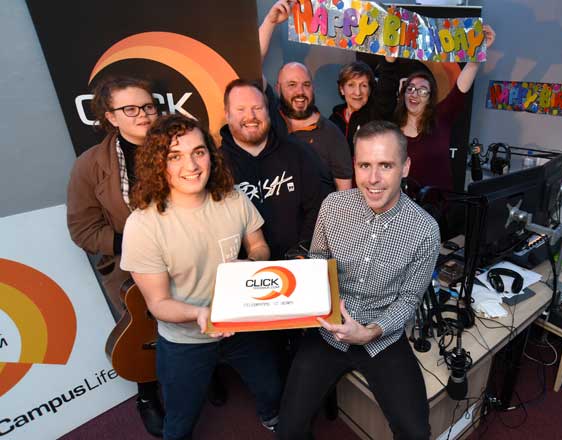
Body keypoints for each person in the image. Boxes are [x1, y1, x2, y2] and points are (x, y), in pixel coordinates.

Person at [120, 114, 282, 439]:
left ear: (210, 153)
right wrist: (199, 314)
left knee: (273, 391)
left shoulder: (233, 198)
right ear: (158, 164)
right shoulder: (143, 225)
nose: (191, 165)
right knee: (180, 421)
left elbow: (260, 244)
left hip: (243, 327)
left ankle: (273, 419)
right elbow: (158, 302)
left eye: (199, 151)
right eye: (174, 156)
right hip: (186, 342)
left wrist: (252, 262)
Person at [278, 121, 440, 439]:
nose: (373, 179)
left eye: (386, 166)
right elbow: (318, 261)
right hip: (328, 331)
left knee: (416, 432)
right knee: (288, 429)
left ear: (405, 167)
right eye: (364, 165)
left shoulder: (425, 230)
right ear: (354, 165)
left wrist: (369, 332)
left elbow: (409, 300)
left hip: (382, 336)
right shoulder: (333, 207)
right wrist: (305, 286)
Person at [66, 76, 164, 437]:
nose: (143, 115)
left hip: (185, 259)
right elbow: (82, 230)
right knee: (148, 334)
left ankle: (201, 372)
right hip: (131, 271)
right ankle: (148, 391)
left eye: (148, 106)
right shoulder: (89, 166)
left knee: (194, 321)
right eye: (131, 109)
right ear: (110, 117)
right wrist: (133, 242)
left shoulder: (179, 146)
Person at [220, 79, 327, 261]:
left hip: (298, 265)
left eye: (257, 108)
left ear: (268, 111)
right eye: (240, 109)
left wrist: (302, 252)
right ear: (227, 114)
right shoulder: (217, 165)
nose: (250, 116)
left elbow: (318, 209)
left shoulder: (298, 153)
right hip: (244, 272)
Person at [258, 1, 353, 191]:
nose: (300, 92)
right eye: (291, 85)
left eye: (306, 85)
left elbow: (345, 196)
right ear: (278, 88)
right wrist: (270, 21)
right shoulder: (270, 120)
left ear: (313, 88)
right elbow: (251, 65)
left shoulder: (332, 134)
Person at [392, 25, 496, 191]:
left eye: (422, 90)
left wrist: (479, 50)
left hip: (438, 208)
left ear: (430, 97)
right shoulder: (392, 129)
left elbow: (460, 88)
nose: (415, 94)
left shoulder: (441, 117)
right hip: (403, 209)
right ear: (402, 93)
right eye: (410, 88)